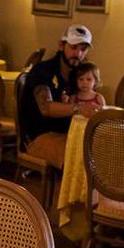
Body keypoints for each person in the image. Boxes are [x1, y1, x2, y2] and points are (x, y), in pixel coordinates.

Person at [21, 24, 101, 169]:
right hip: (38, 136)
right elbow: (46, 108)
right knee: (80, 158)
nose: (78, 54)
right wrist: (79, 108)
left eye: (83, 49)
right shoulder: (43, 70)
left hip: (68, 133)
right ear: (61, 45)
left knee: (101, 151)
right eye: (73, 47)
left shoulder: (79, 74)